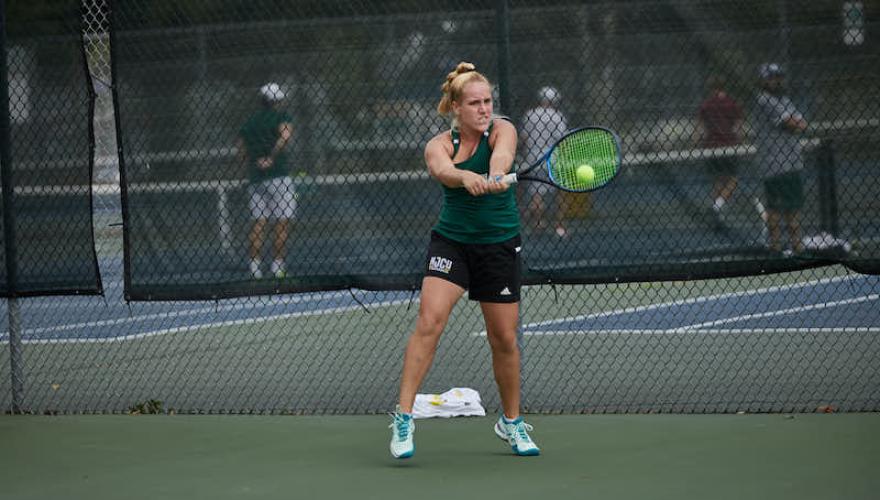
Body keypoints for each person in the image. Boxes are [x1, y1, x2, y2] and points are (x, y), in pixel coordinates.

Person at [389, 62, 540, 459]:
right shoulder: (439, 145)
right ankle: (403, 417)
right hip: (452, 244)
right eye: (474, 103)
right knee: (429, 322)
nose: (484, 109)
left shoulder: (503, 130)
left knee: (503, 338)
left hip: (498, 245)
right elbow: (442, 171)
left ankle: (511, 422)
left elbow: (503, 154)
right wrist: (465, 178)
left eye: (487, 101)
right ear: (456, 107)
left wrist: (494, 172)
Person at [238, 82, 295, 279]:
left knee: (258, 223)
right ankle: (277, 267)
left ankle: (255, 268)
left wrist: (253, 164)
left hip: (256, 179)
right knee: (282, 222)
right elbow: (286, 136)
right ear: (276, 101)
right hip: (278, 176)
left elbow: (242, 150)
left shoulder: (250, 122)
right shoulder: (281, 117)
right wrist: (271, 156)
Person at [753, 63, 808, 254]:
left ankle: (795, 245)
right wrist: (796, 123)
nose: (776, 81)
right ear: (763, 80)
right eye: (771, 78)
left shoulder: (784, 99)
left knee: (792, 207)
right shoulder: (764, 100)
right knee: (775, 208)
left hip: (791, 161)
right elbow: (792, 123)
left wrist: (796, 123)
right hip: (775, 163)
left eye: (778, 77)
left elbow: (801, 123)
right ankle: (777, 247)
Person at [519, 86, 571, 236]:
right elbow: (562, 139)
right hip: (553, 158)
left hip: (533, 158)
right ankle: (559, 226)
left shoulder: (530, 114)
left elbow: (524, 138)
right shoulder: (557, 116)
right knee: (560, 192)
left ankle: (538, 223)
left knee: (536, 193)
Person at [696, 75, 744, 213]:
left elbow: (700, 128)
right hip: (729, 145)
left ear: (711, 88)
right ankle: (717, 206)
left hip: (712, 146)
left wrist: (697, 144)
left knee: (717, 179)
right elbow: (738, 127)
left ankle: (716, 208)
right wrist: (740, 142)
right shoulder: (732, 103)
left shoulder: (706, 104)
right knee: (733, 179)